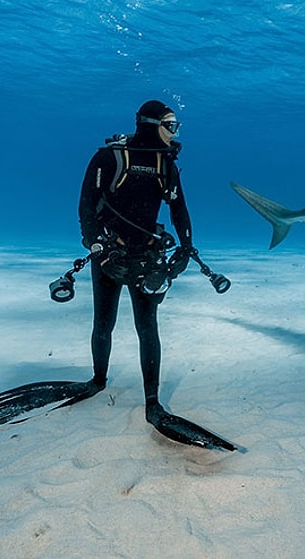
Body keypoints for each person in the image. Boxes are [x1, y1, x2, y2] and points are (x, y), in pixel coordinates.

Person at [78, 99, 194, 429]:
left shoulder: (165, 165)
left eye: (176, 127)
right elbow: (86, 210)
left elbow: (179, 210)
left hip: (147, 257)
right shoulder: (109, 158)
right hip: (110, 255)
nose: (174, 134)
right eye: (170, 126)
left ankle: (153, 403)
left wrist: (186, 248)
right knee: (103, 322)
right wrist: (99, 251)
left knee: (148, 328)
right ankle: (97, 381)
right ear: (149, 123)